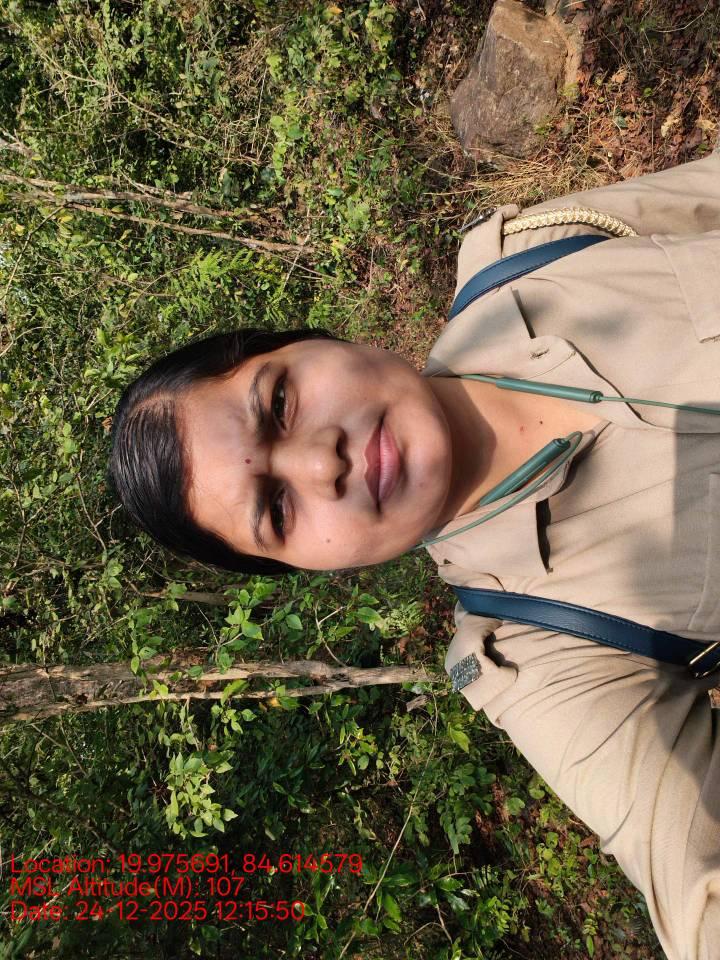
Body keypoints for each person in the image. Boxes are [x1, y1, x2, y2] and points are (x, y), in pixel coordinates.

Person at [109, 151, 720, 960]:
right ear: (307, 569)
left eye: (280, 401)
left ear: (313, 339)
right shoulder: (545, 655)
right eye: (277, 509)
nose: (320, 462)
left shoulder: (529, 257)